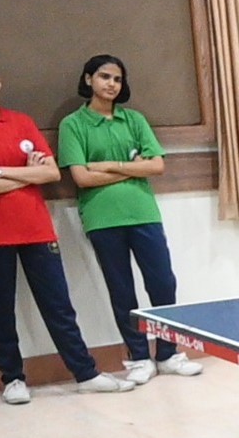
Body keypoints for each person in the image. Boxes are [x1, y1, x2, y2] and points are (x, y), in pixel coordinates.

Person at [0, 56, 135, 403]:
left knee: (59, 306)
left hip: (36, 229)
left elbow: (50, 173)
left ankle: (86, 373)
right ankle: (12, 379)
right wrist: (24, 174)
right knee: (1, 310)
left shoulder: (21, 122)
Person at [57, 53, 201, 385]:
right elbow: (82, 177)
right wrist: (133, 168)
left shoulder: (134, 120)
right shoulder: (72, 125)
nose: (111, 84)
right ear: (89, 79)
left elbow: (157, 165)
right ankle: (138, 357)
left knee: (162, 282)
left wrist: (109, 165)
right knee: (121, 289)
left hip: (143, 213)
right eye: (104, 77)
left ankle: (168, 354)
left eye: (117, 79)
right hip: (102, 219)